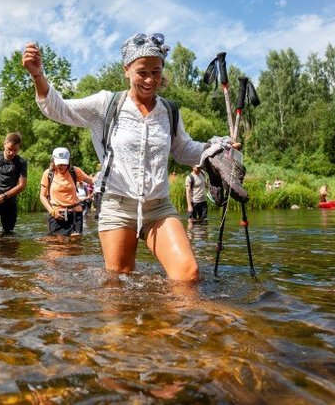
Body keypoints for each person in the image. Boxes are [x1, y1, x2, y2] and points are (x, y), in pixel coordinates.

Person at [22, 33, 226, 282]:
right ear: (127, 70)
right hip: (116, 207)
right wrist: (37, 75)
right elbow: (60, 109)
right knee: (119, 282)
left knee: (188, 274)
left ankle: (175, 321)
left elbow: (183, 150)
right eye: (142, 72)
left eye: (156, 71)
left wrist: (215, 149)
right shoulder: (106, 104)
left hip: (159, 207)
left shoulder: (169, 111)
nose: (150, 79)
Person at [39, 147, 94, 236]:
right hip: (56, 215)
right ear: (53, 161)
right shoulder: (48, 174)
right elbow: (42, 196)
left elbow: (91, 181)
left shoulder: (75, 171)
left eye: (64, 164)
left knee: (74, 245)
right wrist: (52, 211)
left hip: (75, 214)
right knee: (56, 245)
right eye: (59, 164)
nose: (62, 167)